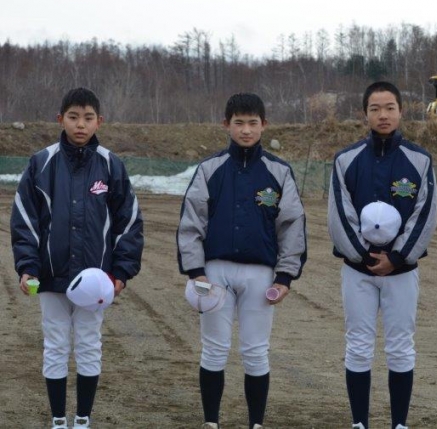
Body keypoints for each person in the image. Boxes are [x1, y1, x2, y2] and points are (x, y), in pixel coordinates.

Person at [10, 87, 144, 429]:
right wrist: (28, 267)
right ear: (61, 119)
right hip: (51, 276)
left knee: (88, 344)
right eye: (73, 117)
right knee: (55, 344)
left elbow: (129, 221)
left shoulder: (111, 165)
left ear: (99, 121)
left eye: (87, 118)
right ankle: (58, 419)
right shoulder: (41, 162)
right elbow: (24, 219)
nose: (80, 124)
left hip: (95, 280)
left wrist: (120, 273)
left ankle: (82, 418)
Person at [176, 93, 307, 429]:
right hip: (215, 273)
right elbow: (191, 223)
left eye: (252, 123)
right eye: (239, 123)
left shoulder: (279, 172)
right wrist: (196, 272)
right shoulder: (210, 169)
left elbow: (292, 226)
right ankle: (211, 422)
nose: (246, 130)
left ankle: (256, 423)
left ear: (264, 125)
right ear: (226, 124)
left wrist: (285, 276)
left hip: (260, 275)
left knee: (255, 351)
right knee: (214, 349)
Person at [328, 81, 437, 429]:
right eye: (375, 109)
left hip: (401, 272)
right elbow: (338, 214)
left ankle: (399, 424)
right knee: (358, 345)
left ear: (401, 111)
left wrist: (398, 256)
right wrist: (363, 256)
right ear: (365, 114)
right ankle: (359, 423)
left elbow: (425, 214)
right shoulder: (345, 160)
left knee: (401, 346)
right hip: (357, 271)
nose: (383, 115)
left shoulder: (419, 160)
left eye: (390, 107)